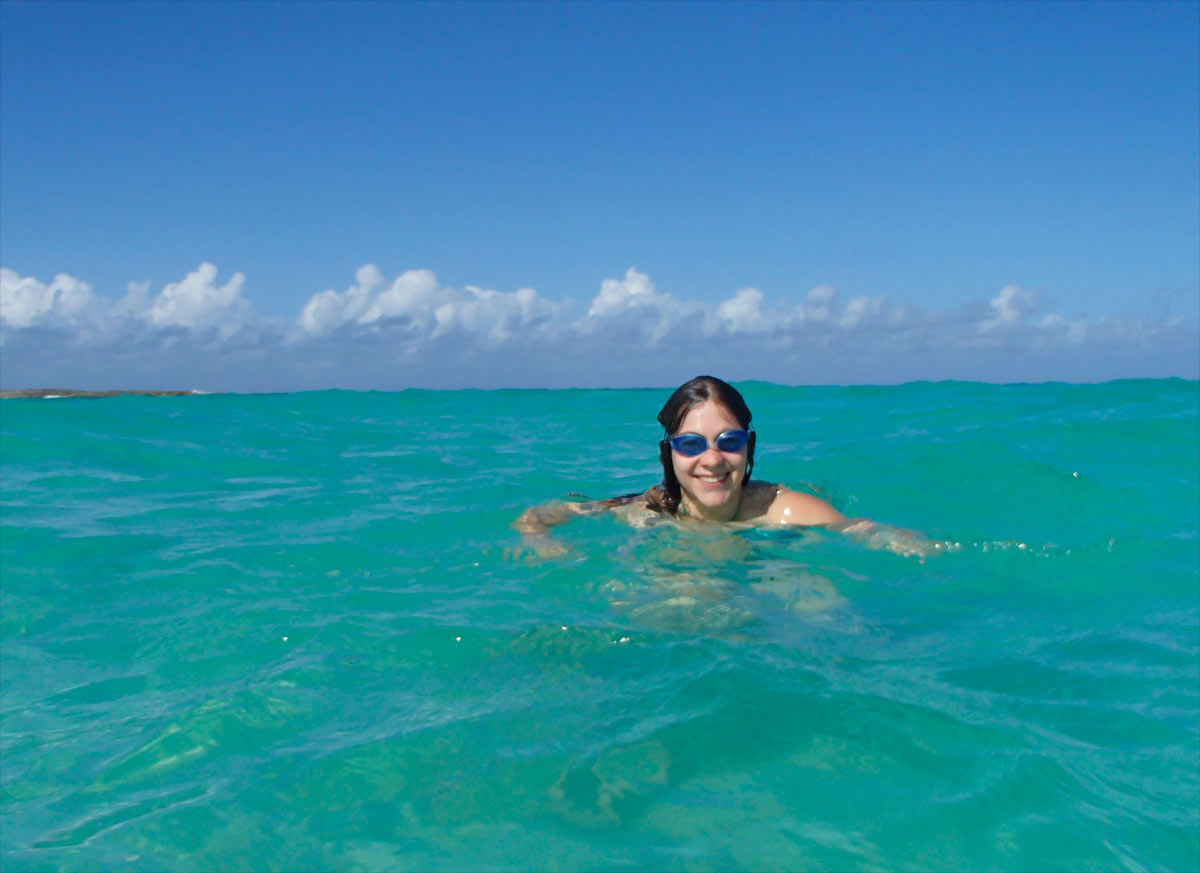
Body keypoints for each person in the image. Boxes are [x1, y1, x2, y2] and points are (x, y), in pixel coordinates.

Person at [515, 375, 929, 556]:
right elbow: (537, 516)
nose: (712, 459)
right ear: (670, 454)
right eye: (691, 444)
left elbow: (857, 528)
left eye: (729, 441)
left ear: (749, 450)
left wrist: (900, 540)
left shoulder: (780, 509)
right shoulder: (647, 510)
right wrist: (540, 541)